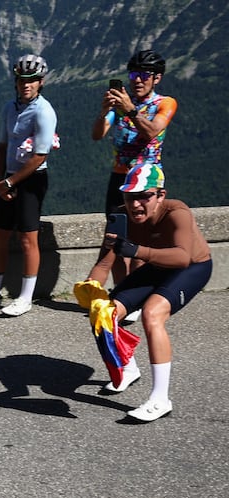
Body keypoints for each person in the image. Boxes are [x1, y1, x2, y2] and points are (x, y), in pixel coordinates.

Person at [84, 164, 211, 423]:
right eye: (129, 197)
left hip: (192, 267)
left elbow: (182, 258)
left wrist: (137, 251)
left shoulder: (177, 212)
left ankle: (160, 399)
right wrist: (91, 288)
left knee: (152, 314)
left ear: (160, 196)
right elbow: (104, 265)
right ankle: (128, 369)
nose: (135, 204)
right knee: (103, 314)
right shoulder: (120, 218)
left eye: (144, 196)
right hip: (157, 266)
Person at [0, 54, 58, 317]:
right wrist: (0, 179)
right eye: (22, 80)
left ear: (41, 82)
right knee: (0, 237)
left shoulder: (44, 111)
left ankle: (25, 298)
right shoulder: (9, 108)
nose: (26, 84)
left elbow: (40, 156)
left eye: (32, 80)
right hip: (9, 177)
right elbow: (3, 145)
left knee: (28, 239)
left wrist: (9, 181)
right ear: (16, 82)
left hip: (32, 179)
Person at [91, 49, 176, 308]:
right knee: (116, 239)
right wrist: (104, 111)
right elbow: (97, 134)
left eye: (144, 75)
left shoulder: (165, 103)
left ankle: (139, 297)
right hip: (119, 179)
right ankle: (122, 294)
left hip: (148, 180)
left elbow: (152, 131)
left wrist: (130, 110)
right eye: (133, 75)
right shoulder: (120, 103)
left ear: (157, 78)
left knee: (141, 243)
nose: (137, 80)